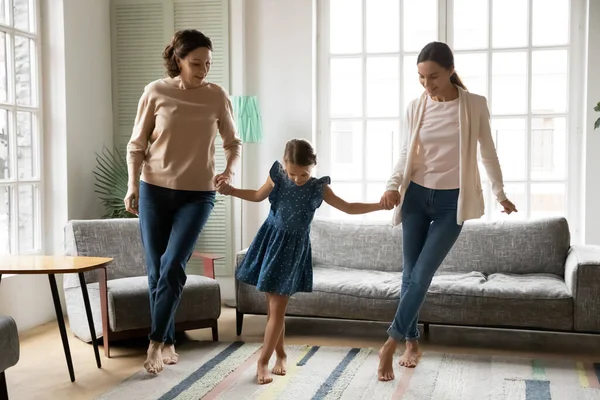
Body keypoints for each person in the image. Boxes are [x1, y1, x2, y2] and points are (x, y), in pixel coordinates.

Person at [377, 41, 517, 381]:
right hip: (415, 199)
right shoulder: (416, 107)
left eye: (434, 77)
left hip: (449, 204)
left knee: (423, 274)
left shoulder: (473, 105)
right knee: (409, 275)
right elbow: (403, 153)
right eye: (421, 78)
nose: (427, 85)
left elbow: (488, 153)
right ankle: (412, 342)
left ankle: (389, 344)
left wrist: (500, 193)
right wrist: (392, 184)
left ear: (451, 71)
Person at [217, 139, 384, 384]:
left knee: (277, 309)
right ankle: (281, 354)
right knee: (274, 309)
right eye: (292, 173)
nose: (297, 178)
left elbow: (348, 207)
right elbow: (256, 195)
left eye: (303, 173)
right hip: (269, 241)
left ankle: (263, 362)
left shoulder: (318, 188)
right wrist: (231, 190)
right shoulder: (278, 177)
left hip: (292, 251)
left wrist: (380, 205)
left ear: (313, 165)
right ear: (284, 165)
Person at [123, 29, 242, 374]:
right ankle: (169, 338)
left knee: (174, 264)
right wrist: (132, 186)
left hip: (198, 194)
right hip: (153, 190)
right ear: (178, 59)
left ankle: (155, 342)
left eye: (208, 63)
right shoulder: (155, 91)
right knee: (157, 270)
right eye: (196, 63)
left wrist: (229, 172)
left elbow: (233, 142)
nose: (203, 69)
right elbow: (137, 144)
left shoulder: (217, 96)